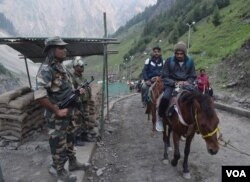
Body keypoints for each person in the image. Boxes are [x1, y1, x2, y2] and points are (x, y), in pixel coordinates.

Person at [34, 36, 89, 182]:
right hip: (56, 116)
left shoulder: (62, 67)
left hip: (68, 113)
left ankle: (72, 163)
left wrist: (77, 91)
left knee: (70, 139)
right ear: (52, 50)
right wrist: (56, 110)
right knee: (58, 144)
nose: (64, 50)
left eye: (64, 47)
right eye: (60, 47)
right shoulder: (46, 69)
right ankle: (59, 171)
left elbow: (65, 88)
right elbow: (39, 95)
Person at [157, 41, 197, 131]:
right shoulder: (169, 61)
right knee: (165, 98)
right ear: (174, 53)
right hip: (171, 84)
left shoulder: (190, 62)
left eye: (181, 53)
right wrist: (174, 83)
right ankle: (159, 117)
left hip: (186, 85)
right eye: (177, 53)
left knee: (198, 98)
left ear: (185, 53)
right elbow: (164, 76)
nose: (179, 55)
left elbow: (193, 75)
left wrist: (187, 82)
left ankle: (196, 121)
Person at [71, 57, 95, 145]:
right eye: (81, 66)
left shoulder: (82, 78)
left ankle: (84, 135)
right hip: (77, 103)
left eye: (83, 66)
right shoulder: (72, 78)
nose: (82, 68)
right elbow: (71, 91)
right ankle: (76, 138)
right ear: (75, 67)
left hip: (85, 102)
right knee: (78, 120)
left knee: (85, 119)